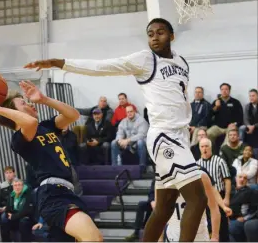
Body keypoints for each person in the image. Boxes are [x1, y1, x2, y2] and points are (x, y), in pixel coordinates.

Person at [24, 17, 208, 242]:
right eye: (150, 34)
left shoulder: (181, 62)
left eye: (160, 32)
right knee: (198, 199)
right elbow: (102, 67)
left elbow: (178, 97)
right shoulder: (145, 60)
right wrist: (58, 62)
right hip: (164, 135)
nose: (154, 37)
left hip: (180, 135)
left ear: (172, 36)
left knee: (165, 207)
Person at [0, 81, 102, 242]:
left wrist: (44, 99)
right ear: (13, 113)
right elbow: (29, 123)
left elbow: (73, 115)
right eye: (23, 103)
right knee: (93, 238)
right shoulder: (19, 139)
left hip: (68, 191)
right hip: (53, 194)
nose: (30, 104)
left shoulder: (46, 127)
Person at [163, 167, 232, 242]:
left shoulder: (200, 175)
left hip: (199, 236)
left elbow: (214, 198)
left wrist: (215, 237)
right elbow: (160, 211)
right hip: (173, 236)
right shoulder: (164, 177)